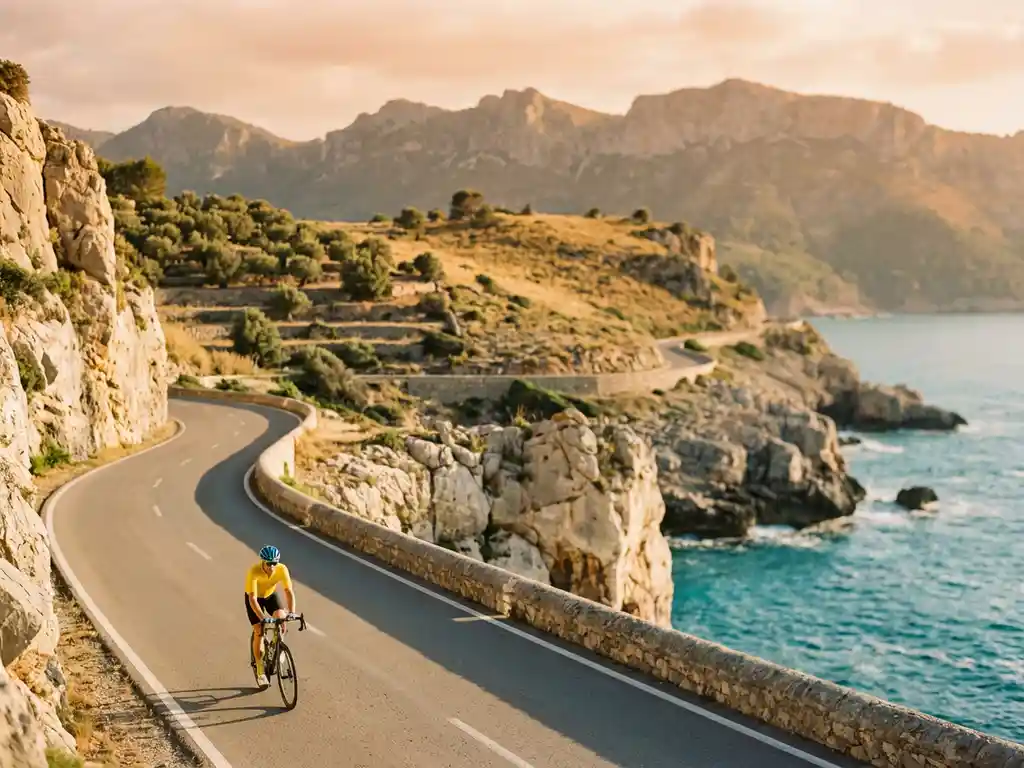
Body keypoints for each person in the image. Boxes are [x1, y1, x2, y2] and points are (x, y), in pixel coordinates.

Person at [245, 545, 296, 688]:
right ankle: (260, 669)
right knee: (259, 631)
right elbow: (252, 599)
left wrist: (291, 612)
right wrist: (262, 618)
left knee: (281, 619)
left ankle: (278, 646)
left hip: (270, 595)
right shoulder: (254, 572)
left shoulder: (282, 569)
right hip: (255, 599)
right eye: (269, 563)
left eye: (275, 563)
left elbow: (288, 591)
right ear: (263, 562)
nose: (272, 566)